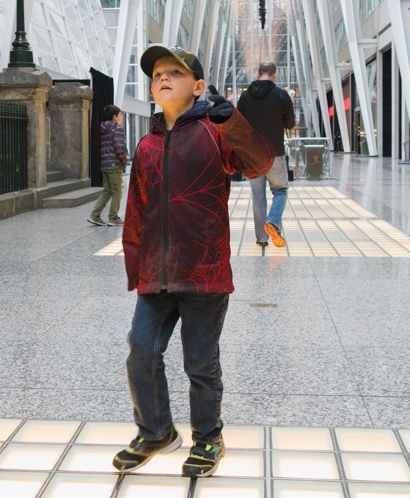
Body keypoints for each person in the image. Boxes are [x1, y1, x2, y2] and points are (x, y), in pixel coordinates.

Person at [112, 46, 273, 478]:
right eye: (157, 74)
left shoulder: (215, 131)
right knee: (140, 349)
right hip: (156, 273)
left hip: (204, 273)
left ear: (198, 87)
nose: (163, 78)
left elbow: (259, 163)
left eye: (175, 73)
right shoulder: (146, 144)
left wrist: (232, 121)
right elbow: (137, 209)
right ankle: (156, 431)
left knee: (200, 363)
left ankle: (208, 437)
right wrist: (136, 267)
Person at [236, 61, 295, 248]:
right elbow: (290, 124)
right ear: (275, 75)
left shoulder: (245, 97)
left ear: (258, 74)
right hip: (275, 153)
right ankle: (273, 221)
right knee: (280, 190)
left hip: (252, 155)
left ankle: (261, 238)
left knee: (258, 195)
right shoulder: (281, 95)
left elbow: (238, 125)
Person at [88, 105, 129, 226]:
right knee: (117, 191)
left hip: (104, 165)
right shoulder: (117, 128)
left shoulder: (101, 129)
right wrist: (124, 160)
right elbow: (119, 147)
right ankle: (113, 218)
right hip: (115, 165)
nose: (121, 117)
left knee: (107, 191)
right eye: (120, 115)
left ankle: (95, 215)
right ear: (114, 116)